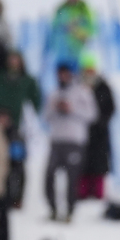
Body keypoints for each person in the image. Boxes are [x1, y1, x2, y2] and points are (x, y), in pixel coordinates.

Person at [0, 50, 41, 209]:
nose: (13, 62)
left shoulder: (27, 81)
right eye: (11, 59)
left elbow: (35, 104)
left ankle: (17, 197)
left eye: (16, 59)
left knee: (17, 164)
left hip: (18, 130)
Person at [43, 64, 96, 221]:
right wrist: (56, 108)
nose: (63, 77)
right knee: (49, 175)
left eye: (66, 74)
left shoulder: (82, 92)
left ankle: (70, 210)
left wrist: (72, 109)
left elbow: (92, 115)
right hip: (57, 140)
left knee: (72, 178)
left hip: (75, 141)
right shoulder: (54, 94)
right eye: (60, 74)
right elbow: (46, 116)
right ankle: (53, 208)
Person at [78, 55, 115, 201]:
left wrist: (100, 121)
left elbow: (110, 108)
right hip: (82, 132)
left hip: (100, 133)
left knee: (99, 163)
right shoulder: (79, 86)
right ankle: (83, 191)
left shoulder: (103, 87)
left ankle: (98, 192)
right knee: (83, 162)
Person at [47, 0, 94, 73]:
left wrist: (76, 30)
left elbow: (91, 29)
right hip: (62, 54)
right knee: (63, 82)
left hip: (78, 53)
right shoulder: (61, 8)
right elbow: (55, 28)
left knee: (77, 81)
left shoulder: (83, 8)